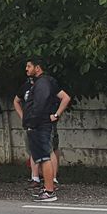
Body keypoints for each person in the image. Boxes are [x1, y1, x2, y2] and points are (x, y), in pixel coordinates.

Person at [19, 59, 70, 203]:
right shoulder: (44, 82)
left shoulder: (42, 83)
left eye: (29, 66)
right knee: (41, 158)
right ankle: (47, 187)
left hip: (40, 125)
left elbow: (40, 104)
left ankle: (49, 191)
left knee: (44, 158)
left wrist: (34, 122)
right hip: (39, 124)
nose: (26, 69)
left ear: (38, 68)